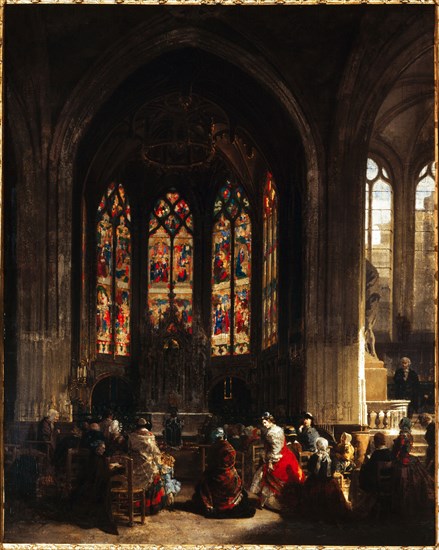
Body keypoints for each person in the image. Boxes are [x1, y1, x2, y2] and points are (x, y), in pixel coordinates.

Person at [192, 427, 255, 518]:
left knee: (204, 482)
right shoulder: (230, 447)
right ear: (224, 436)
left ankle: (211, 505)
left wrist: (214, 469)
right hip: (230, 476)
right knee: (235, 479)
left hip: (217, 474)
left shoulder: (214, 447)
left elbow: (211, 463)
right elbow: (230, 463)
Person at [250, 412, 305, 511]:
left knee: (267, 473)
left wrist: (270, 461)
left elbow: (276, 450)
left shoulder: (272, 433)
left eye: (265, 422)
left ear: (270, 421)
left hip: (278, 457)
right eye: (263, 422)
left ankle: (276, 503)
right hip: (287, 455)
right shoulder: (278, 429)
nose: (264, 424)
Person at [70, 439, 120, 535]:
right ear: (96, 449)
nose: (103, 450)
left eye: (104, 448)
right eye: (102, 448)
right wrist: (115, 471)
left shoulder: (97, 458)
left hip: (95, 485)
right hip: (92, 488)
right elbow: (101, 476)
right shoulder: (96, 459)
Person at [390, 417, 434, 519]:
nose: (399, 425)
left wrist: (394, 454)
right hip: (407, 458)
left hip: (402, 461)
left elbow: (399, 450)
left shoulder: (403, 436)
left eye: (400, 424)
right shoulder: (409, 435)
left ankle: (402, 508)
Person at [301, 437, 351, 522]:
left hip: (315, 482)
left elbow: (310, 468)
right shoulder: (331, 457)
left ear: (317, 446)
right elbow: (333, 469)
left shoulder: (314, 457)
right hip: (329, 482)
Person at [127, 418, 167, 515]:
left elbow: (128, 450)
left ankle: (135, 505)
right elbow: (156, 453)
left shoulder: (132, 436)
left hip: (135, 468)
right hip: (148, 468)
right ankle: (149, 507)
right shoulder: (151, 436)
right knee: (157, 476)